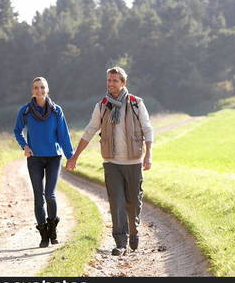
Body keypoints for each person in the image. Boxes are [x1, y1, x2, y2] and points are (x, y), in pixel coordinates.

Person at [66, 67, 153, 256]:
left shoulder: (136, 104)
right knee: (117, 202)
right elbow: (90, 130)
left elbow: (147, 129)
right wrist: (75, 156)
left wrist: (148, 155)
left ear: (123, 83)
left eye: (114, 80)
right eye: (108, 80)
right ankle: (120, 242)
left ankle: (134, 229)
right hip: (111, 162)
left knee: (133, 202)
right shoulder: (102, 105)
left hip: (133, 162)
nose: (110, 84)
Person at [13, 77, 74, 248]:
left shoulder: (56, 111)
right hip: (35, 159)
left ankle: (53, 228)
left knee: (50, 195)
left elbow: (63, 135)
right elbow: (17, 131)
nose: (39, 90)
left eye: (42, 87)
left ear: (47, 89)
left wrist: (71, 156)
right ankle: (44, 235)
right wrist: (24, 145)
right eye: (36, 87)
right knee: (38, 198)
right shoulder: (25, 111)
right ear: (32, 90)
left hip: (54, 157)